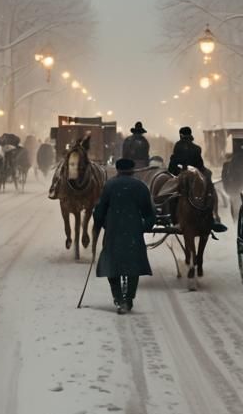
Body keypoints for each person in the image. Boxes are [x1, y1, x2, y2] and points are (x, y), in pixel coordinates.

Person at [93, 158, 156, 314]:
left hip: (113, 231)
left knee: (111, 266)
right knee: (133, 266)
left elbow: (99, 212)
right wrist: (143, 228)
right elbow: (149, 214)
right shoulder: (141, 187)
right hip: (133, 232)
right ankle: (128, 299)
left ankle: (118, 298)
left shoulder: (109, 186)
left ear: (118, 170)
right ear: (133, 170)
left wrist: (100, 225)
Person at [168, 127, 227, 233]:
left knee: (173, 194)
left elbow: (173, 164)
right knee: (209, 190)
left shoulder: (178, 146)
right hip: (195, 174)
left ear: (180, 135)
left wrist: (175, 171)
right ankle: (213, 215)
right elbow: (200, 165)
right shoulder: (197, 148)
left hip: (183, 174)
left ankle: (174, 219)